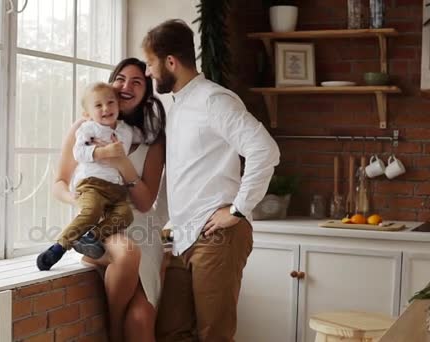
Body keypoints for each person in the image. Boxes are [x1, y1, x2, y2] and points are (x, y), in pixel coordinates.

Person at [143, 20, 280, 342]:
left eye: (150, 64)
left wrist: (237, 210)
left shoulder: (214, 100)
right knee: (170, 331)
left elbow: (265, 150)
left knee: (213, 334)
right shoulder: (177, 107)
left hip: (217, 235)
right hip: (182, 237)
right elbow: (182, 174)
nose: (149, 73)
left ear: (171, 62)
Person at [52, 58, 167, 342]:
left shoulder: (153, 140)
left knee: (141, 319)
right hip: (100, 225)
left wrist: (121, 162)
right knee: (126, 254)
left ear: (146, 92)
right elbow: (59, 182)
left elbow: (143, 203)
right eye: (121, 79)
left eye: (137, 82)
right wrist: (76, 200)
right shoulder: (85, 127)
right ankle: (113, 331)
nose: (126, 86)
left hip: (140, 228)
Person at [37, 83, 141, 271]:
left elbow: (147, 136)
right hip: (92, 184)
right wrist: (104, 152)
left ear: (118, 104)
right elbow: (78, 153)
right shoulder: (88, 128)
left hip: (116, 189)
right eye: (98, 106)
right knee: (91, 212)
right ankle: (58, 247)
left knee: (126, 215)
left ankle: (92, 237)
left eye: (110, 103)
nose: (106, 108)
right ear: (87, 113)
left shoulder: (126, 130)